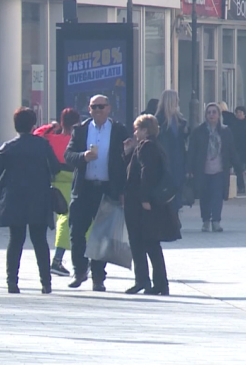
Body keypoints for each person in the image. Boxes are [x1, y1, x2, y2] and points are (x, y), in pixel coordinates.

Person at [0, 107, 60, 294]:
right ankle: (46, 283)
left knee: (15, 240)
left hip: (14, 199)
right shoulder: (42, 145)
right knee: (40, 240)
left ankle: (12, 283)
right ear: (33, 125)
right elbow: (55, 168)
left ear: (15, 125)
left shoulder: (8, 147)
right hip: (39, 198)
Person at [64, 94, 128, 292]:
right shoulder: (81, 130)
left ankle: (98, 277)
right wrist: (83, 156)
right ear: (89, 109)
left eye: (101, 106)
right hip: (84, 189)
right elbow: (68, 155)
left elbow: (125, 160)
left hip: (107, 189)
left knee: (102, 236)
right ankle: (79, 270)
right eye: (94, 107)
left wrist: (123, 191)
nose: (98, 110)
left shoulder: (118, 130)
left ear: (109, 108)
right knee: (76, 232)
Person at [122, 115, 182, 296]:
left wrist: (144, 198)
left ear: (145, 130)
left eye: (137, 129)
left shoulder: (147, 147)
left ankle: (147, 281)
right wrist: (127, 153)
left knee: (143, 243)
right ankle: (154, 283)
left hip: (140, 204)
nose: (135, 132)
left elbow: (146, 175)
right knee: (149, 243)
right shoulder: (153, 146)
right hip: (144, 202)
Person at [34, 108, 81, 277]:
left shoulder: (51, 138)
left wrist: (49, 126)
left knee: (63, 218)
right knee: (68, 220)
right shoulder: (76, 140)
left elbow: (36, 134)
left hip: (54, 180)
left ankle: (62, 260)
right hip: (72, 180)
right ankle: (58, 260)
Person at [188, 103, 242, 232]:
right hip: (203, 170)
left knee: (217, 196)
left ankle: (216, 221)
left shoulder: (225, 131)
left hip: (219, 170)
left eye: (214, 112)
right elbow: (192, 152)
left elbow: (231, 151)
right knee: (205, 196)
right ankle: (206, 221)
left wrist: (239, 168)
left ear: (218, 115)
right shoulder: (198, 131)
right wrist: (189, 169)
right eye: (209, 112)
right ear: (206, 115)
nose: (211, 115)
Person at [155, 90, 190, 210]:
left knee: (177, 188)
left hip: (178, 159)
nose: (177, 103)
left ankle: (175, 217)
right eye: (176, 100)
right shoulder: (159, 120)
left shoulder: (180, 120)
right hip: (165, 159)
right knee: (166, 190)